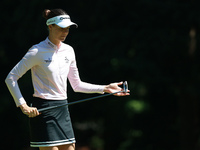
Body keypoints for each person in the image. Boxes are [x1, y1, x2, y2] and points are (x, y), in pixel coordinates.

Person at [5, 9, 130, 150]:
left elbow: (77, 85)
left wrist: (105, 88)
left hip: (63, 108)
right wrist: (23, 105)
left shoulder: (69, 51)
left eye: (68, 29)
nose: (65, 32)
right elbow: (11, 78)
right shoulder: (36, 51)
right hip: (44, 109)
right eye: (61, 28)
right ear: (50, 26)